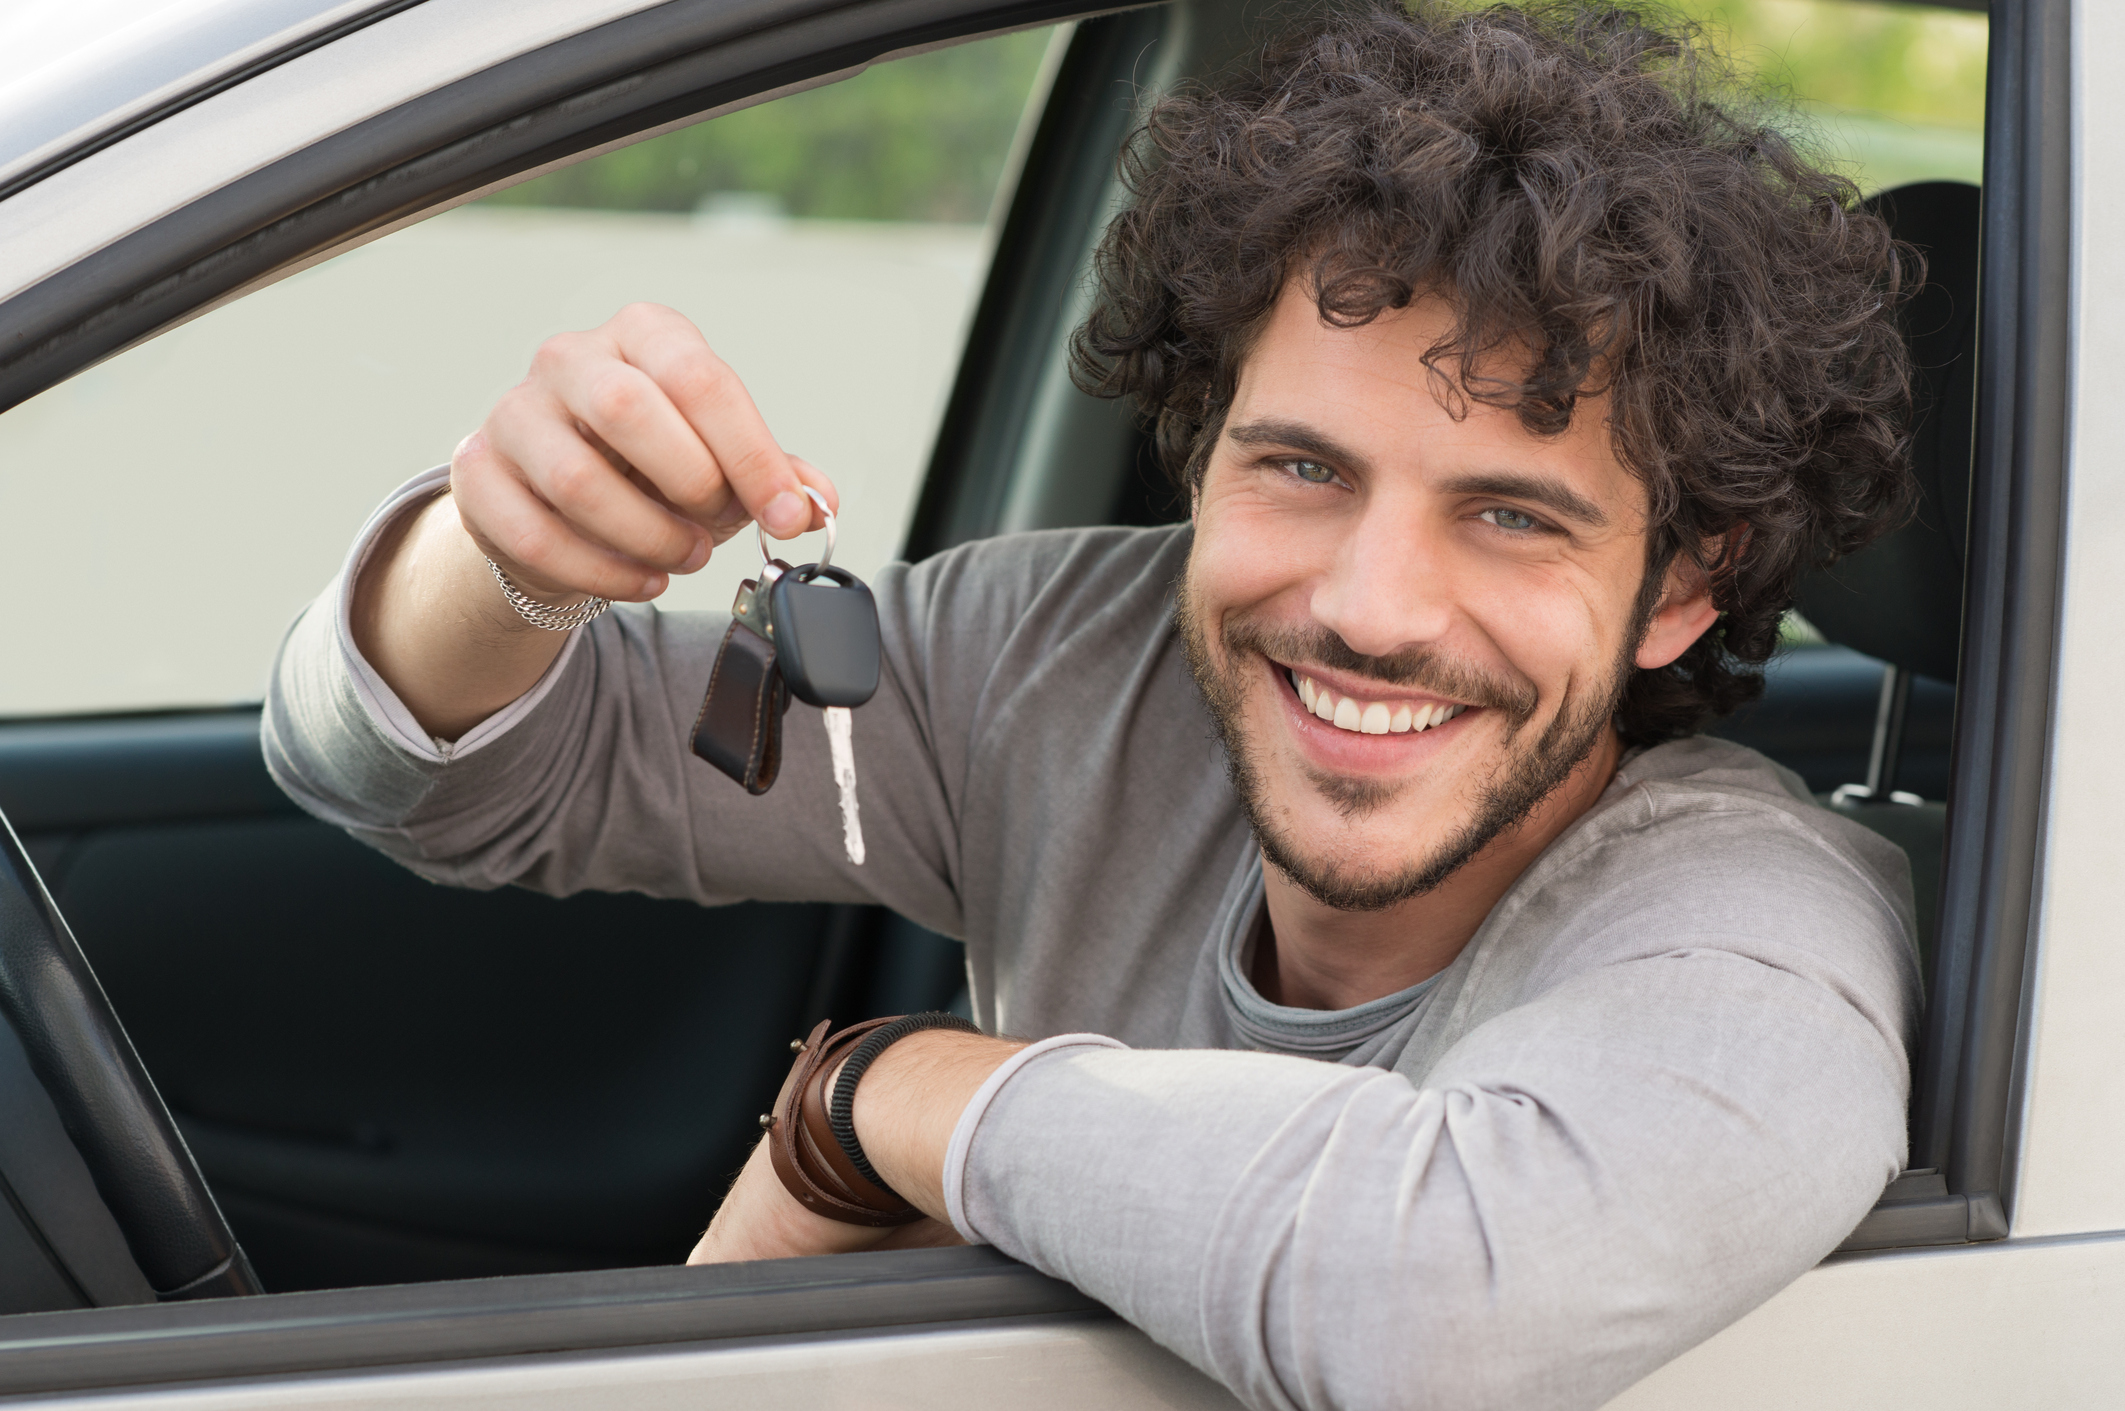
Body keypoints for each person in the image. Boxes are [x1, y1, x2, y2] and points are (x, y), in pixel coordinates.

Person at [264, 4, 1923, 1407]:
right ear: (1197, 455)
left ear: (1687, 582)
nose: (1364, 607)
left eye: (1510, 514)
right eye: (1299, 468)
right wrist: (508, 550)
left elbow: (1430, 1297)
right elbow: (429, 778)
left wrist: (872, 1099)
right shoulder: (1078, 655)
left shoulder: (1755, 922)